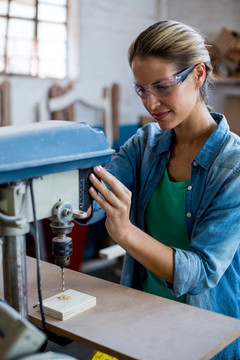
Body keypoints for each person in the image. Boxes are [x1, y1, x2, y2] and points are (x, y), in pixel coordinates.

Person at [84, 20, 240, 359]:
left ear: (198, 75)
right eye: (141, 90)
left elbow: (200, 274)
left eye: (162, 87)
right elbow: (94, 196)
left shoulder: (234, 167)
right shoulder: (146, 144)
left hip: (205, 333)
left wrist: (125, 232)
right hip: (142, 317)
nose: (151, 103)